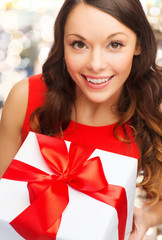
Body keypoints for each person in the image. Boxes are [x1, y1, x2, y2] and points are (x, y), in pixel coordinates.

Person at [0, 0, 161, 239]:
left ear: (138, 44)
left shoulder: (153, 106)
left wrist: (147, 216)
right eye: (79, 44)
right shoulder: (25, 97)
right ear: (62, 44)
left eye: (115, 44)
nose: (95, 65)